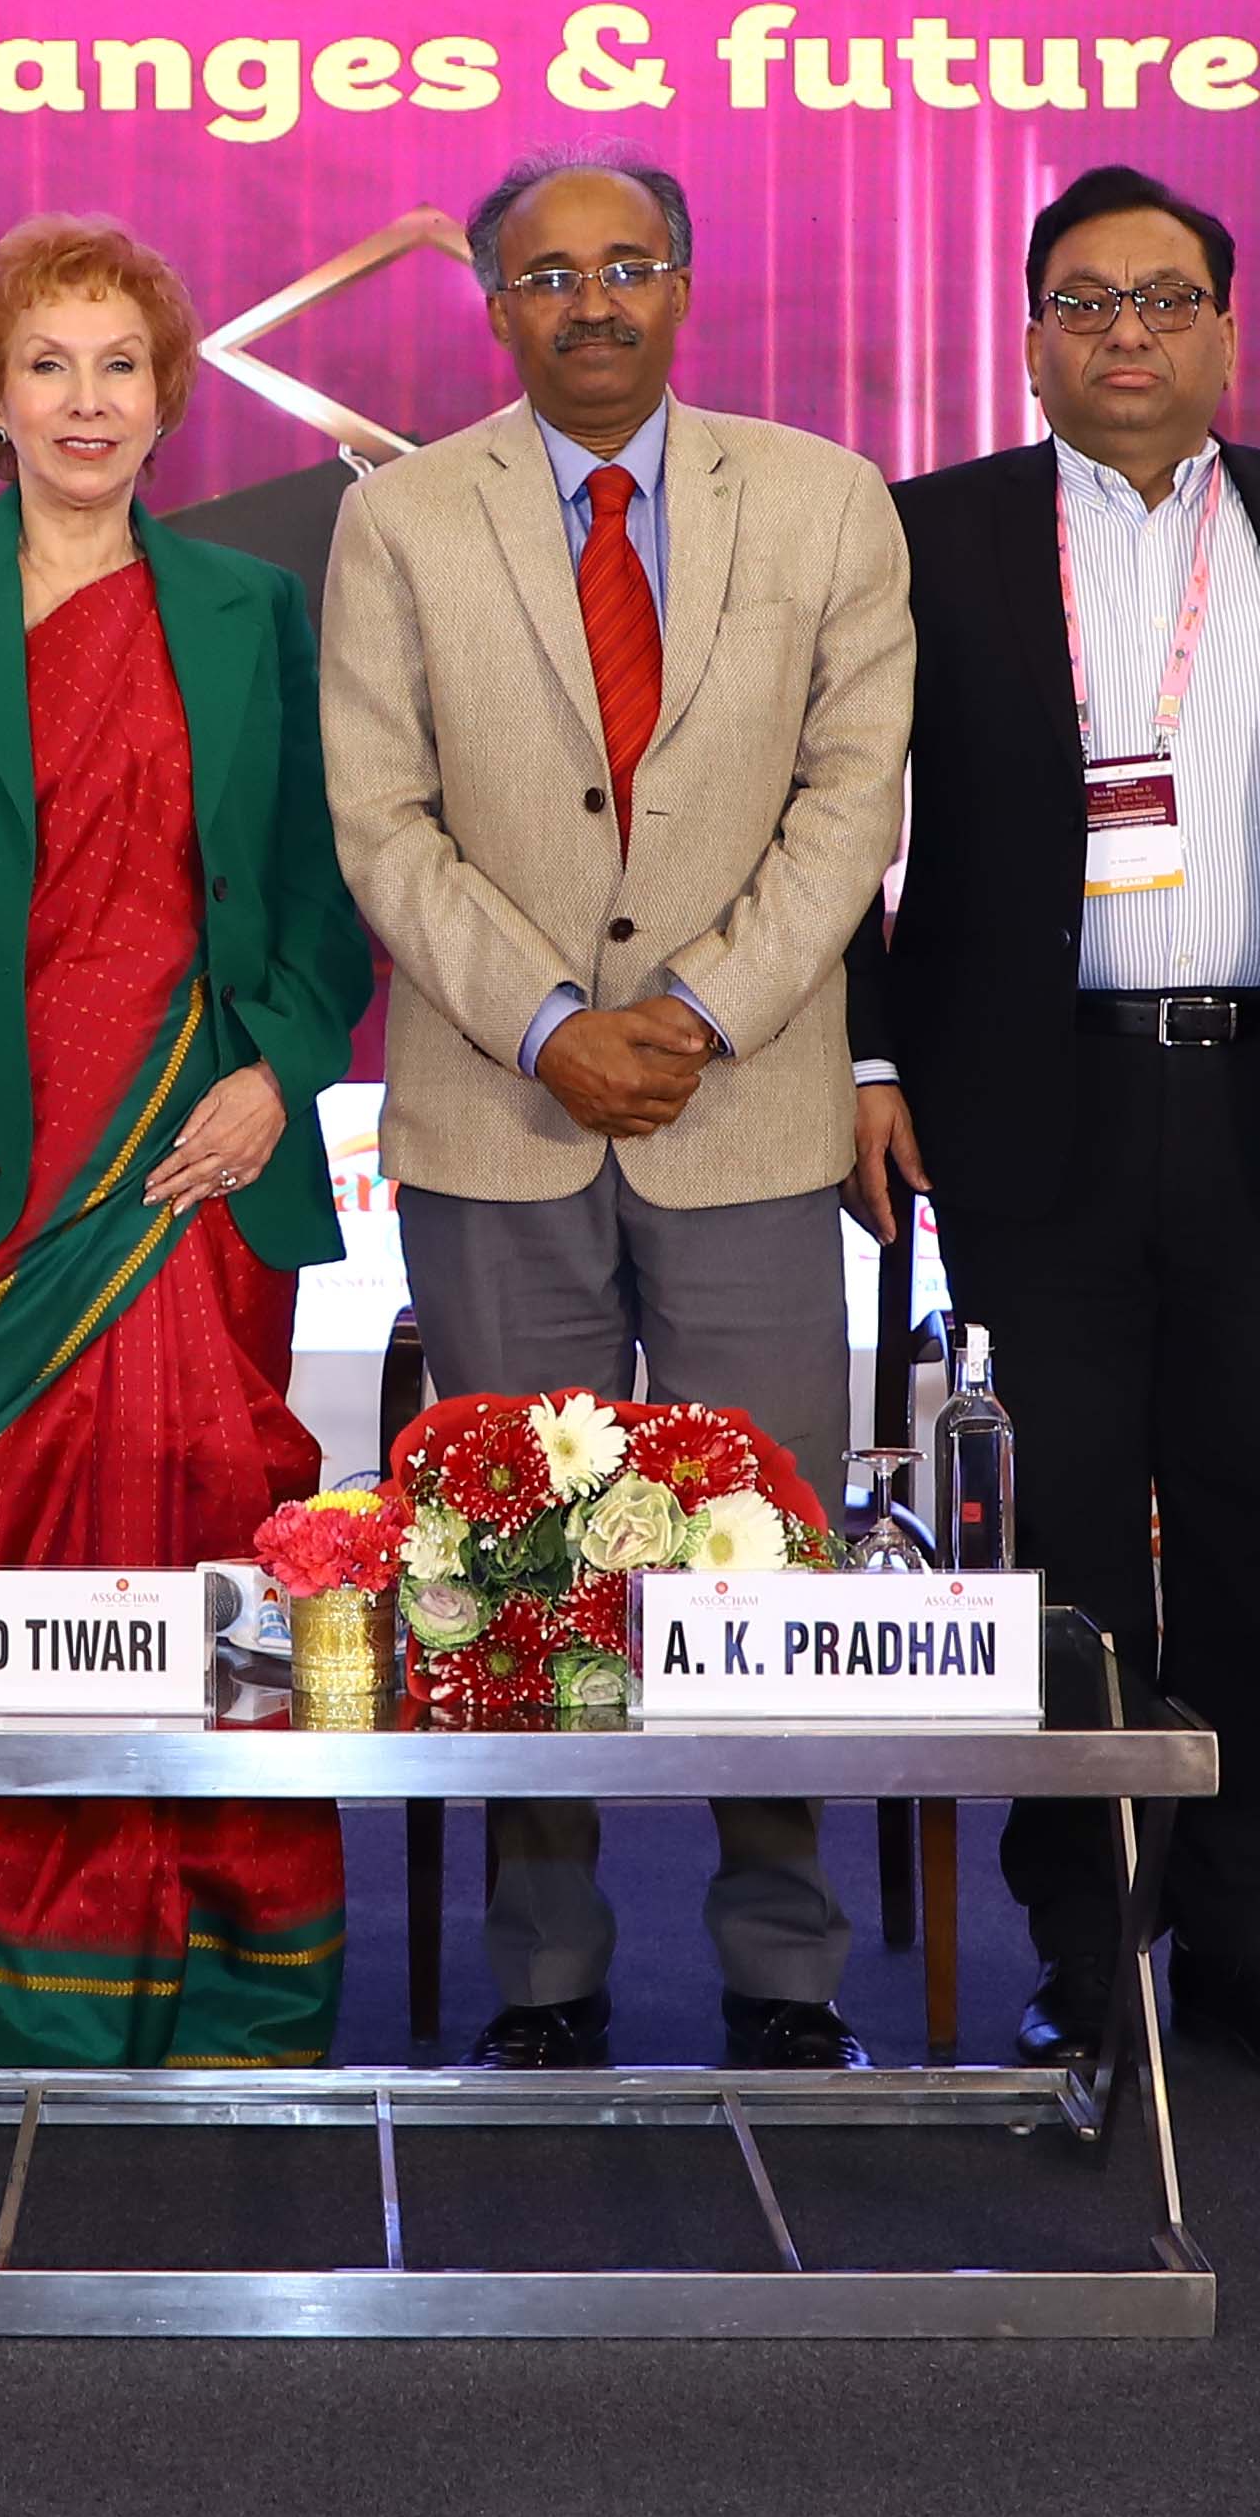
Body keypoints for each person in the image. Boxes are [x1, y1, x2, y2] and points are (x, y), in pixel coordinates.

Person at [847, 164, 1260, 2091]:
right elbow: (829, 817)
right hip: (1023, 1106)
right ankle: (1085, 1936)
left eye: (1167, 299)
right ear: (1032, 337)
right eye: (1088, 302)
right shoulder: (926, 534)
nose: (1128, 333)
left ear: (1226, 328)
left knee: (1254, 1530)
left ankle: (1253, 1938)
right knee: (1058, 1540)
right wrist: (867, 1065)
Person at [322, 154, 914, 2071]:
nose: (591, 303)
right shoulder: (401, 517)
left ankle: (785, 1970)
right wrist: (553, 1024)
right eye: (548, 274)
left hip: (748, 1106)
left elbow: (852, 796)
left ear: (686, 284)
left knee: (767, 1550)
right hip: (498, 1111)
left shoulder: (824, 498)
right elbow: (380, 820)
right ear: (493, 304)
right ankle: (546, 1974)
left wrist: (700, 1009)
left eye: (627, 266)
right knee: (517, 1557)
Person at [0, 215, 377, 2065]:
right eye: (51, 365)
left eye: (122, 366)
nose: (87, 401)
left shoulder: (250, 607)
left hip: (190, 1166)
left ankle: (209, 1988)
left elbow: (316, 892)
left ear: (170, 398)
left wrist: (278, 1071)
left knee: (200, 1547)